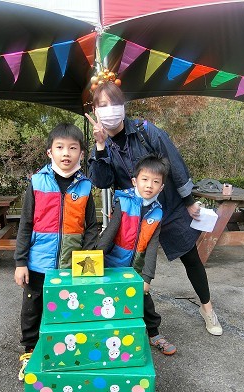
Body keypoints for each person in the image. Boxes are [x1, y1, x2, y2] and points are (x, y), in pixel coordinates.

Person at [85, 81, 223, 337]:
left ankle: (207, 308)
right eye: (103, 105)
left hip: (168, 206)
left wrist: (189, 200)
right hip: (133, 215)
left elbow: (174, 163)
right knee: (128, 263)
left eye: (115, 103)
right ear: (95, 111)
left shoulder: (145, 130)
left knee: (190, 257)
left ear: (123, 106)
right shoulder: (101, 145)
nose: (110, 110)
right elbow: (102, 181)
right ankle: (128, 318)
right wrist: (101, 146)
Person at [13, 123, 99, 381]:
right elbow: (25, 223)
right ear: (50, 152)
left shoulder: (85, 186)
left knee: (67, 309)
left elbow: (91, 226)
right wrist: (20, 262)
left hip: (72, 265)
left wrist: (87, 258)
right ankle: (30, 351)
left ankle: (65, 351)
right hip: (38, 264)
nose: (66, 153)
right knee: (33, 309)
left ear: (81, 153)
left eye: (73, 148)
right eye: (60, 147)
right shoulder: (37, 182)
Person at [97, 153, 176, 355]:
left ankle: (154, 334)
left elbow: (153, 247)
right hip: (113, 265)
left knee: (145, 301)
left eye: (155, 182)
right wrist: (95, 259)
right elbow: (110, 233)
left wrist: (147, 277)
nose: (149, 185)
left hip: (136, 269)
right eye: (145, 179)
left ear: (161, 187)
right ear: (135, 181)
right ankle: (105, 334)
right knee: (107, 301)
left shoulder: (157, 212)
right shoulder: (123, 202)